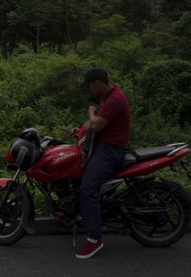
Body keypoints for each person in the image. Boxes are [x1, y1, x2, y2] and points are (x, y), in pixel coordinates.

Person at [75, 68, 131, 259]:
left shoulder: (114, 99)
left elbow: (97, 124)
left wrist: (91, 113)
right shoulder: (108, 96)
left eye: (89, 86)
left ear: (97, 83)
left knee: (88, 189)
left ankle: (94, 239)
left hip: (111, 151)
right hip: (105, 147)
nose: (89, 89)